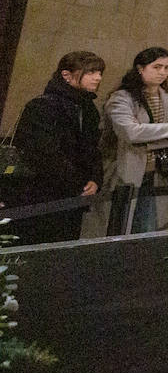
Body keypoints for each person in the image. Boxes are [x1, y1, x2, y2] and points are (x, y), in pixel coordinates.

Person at [6, 51, 104, 244]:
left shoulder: (88, 109)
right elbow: (43, 153)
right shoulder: (42, 106)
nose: (98, 77)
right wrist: (77, 182)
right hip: (37, 195)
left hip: (72, 196)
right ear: (66, 75)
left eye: (100, 72)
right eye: (91, 71)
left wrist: (95, 178)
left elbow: (93, 148)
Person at [101, 47, 168, 234]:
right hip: (127, 172)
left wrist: (147, 138)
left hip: (159, 172)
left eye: (167, 67)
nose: (162, 72)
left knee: (150, 229)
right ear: (140, 68)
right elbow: (131, 133)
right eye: (157, 67)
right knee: (121, 228)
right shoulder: (121, 98)